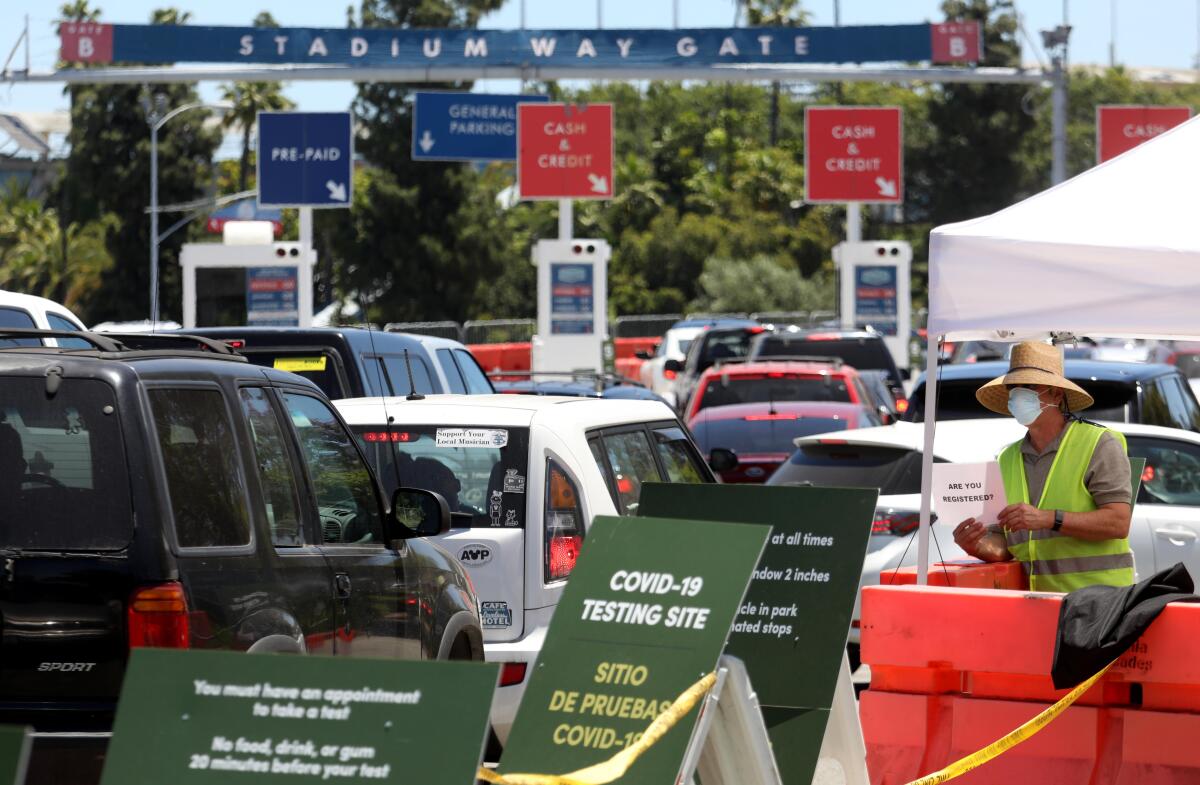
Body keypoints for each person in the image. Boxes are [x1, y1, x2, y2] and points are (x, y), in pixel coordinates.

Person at [952, 341, 1134, 592]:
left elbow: (1118, 523)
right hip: (1038, 605)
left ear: (1057, 394)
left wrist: (1048, 518)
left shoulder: (1098, 443)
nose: (1017, 395)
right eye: (1013, 387)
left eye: (1029, 386)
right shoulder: (1006, 457)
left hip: (1100, 604)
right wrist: (976, 545)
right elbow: (1004, 544)